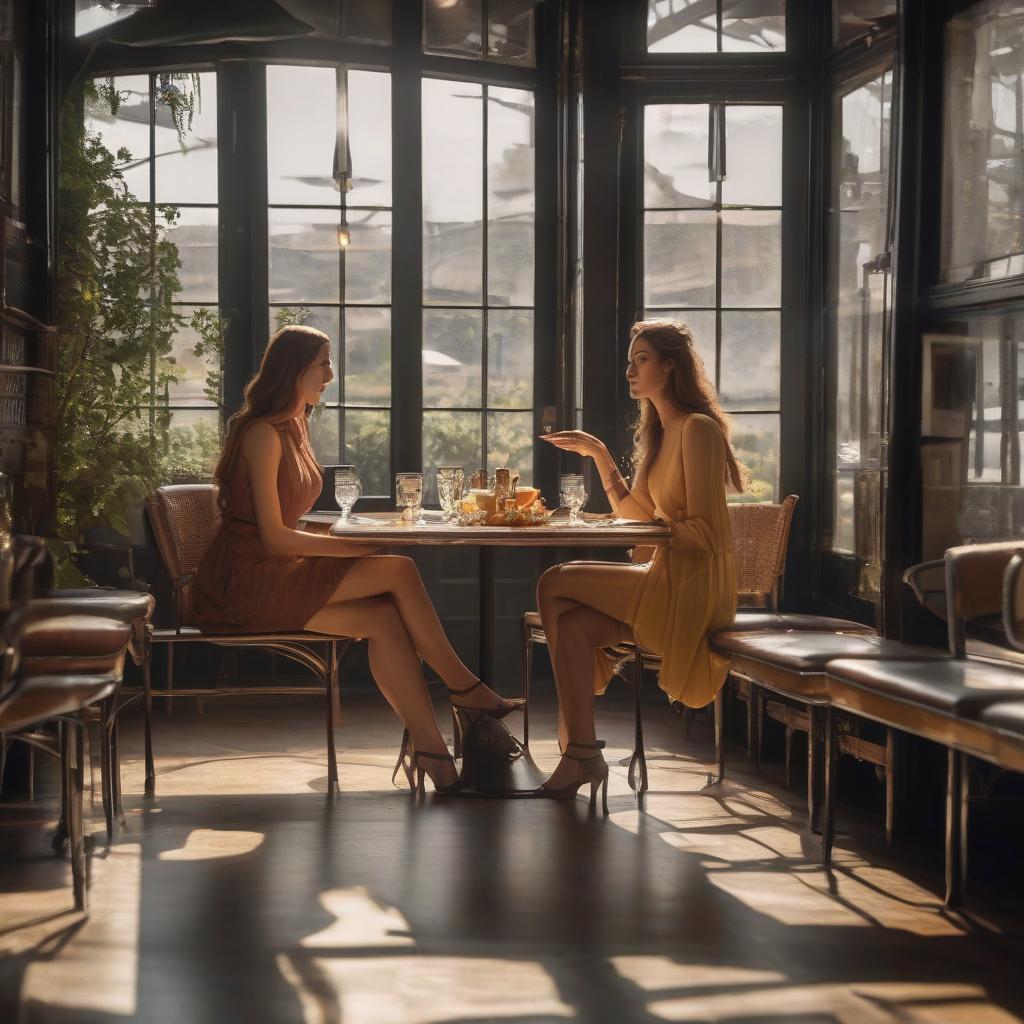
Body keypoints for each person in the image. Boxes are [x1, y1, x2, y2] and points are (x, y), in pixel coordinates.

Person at [193, 325, 519, 794]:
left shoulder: (295, 425)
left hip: (272, 572)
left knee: (385, 618)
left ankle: (432, 753)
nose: (331, 373)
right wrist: (353, 547)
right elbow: (275, 538)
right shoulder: (263, 434)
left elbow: (291, 524)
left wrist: (350, 536)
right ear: (294, 369)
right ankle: (465, 688)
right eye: (322, 363)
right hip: (245, 581)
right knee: (398, 568)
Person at [535, 319, 741, 805]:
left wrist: (655, 531)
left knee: (553, 583)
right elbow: (640, 514)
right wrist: (599, 454)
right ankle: (580, 748)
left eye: (641, 359)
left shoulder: (698, 429)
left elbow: (707, 534)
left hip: (693, 585)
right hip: (667, 574)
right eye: (630, 360)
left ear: (669, 367)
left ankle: (576, 741)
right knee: (574, 625)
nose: (630, 369)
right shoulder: (661, 434)